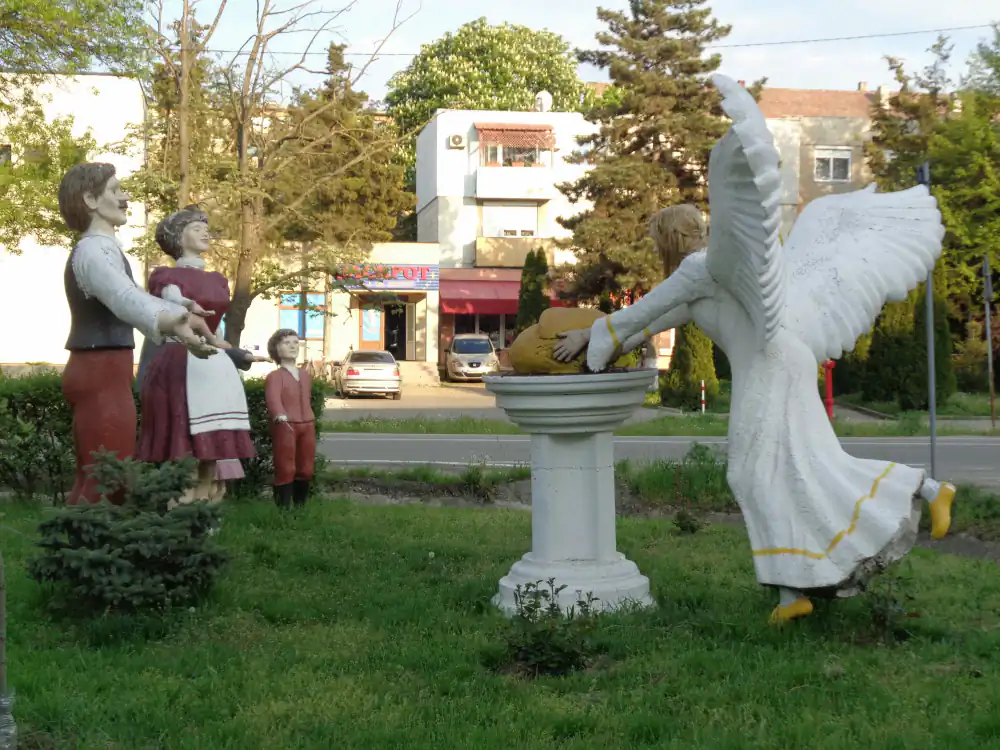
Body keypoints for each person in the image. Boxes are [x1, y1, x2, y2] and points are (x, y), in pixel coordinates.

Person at [553, 74, 957, 625]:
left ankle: (795, 592)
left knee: (750, 473)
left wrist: (591, 337)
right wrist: (616, 340)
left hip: (768, 369)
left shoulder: (698, 269)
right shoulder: (710, 276)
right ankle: (924, 491)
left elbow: (644, 311)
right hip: (788, 359)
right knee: (811, 464)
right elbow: (658, 319)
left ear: (670, 240)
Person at [58, 162, 217, 506]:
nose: (125, 197)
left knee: (98, 474)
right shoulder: (94, 251)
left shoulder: (102, 249)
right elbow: (125, 298)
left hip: (102, 367)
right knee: (108, 477)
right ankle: (97, 538)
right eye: (115, 190)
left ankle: (81, 536)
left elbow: (134, 298)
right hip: (100, 369)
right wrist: (174, 321)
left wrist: (179, 313)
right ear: (90, 200)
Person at [136, 206, 261, 504]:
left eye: (206, 228)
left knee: (212, 445)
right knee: (186, 441)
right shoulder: (165, 275)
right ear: (178, 238)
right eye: (195, 228)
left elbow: (216, 333)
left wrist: (236, 354)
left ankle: (205, 507)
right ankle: (181, 506)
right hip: (181, 358)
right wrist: (188, 306)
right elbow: (172, 302)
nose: (205, 233)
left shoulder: (218, 279)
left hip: (214, 365)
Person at [264, 328, 316, 509]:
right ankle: (283, 509)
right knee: (286, 467)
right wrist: (279, 413)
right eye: (286, 343)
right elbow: (273, 397)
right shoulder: (275, 376)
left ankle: (300, 507)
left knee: (306, 468)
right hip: (286, 424)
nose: (293, 346)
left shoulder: (304, 374)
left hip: (307, 423)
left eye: (295, 342)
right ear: (276, 349)